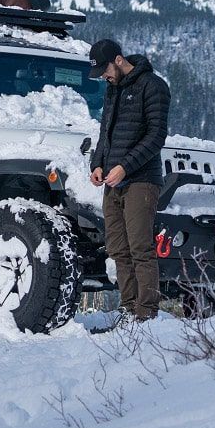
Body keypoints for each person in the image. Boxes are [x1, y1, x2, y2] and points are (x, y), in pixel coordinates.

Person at [88, 38, 170, 322]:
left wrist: (125, 166)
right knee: (118, 249)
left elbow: (156, 137)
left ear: (119, 60)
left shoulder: (153, 86)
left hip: (142, 180)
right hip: (113, 181)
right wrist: (97, 164)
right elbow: (105, 134)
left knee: (140, 248)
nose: (104, 77)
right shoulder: (113, 89)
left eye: (105, 70)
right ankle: (128, 307)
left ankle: (146, 314)